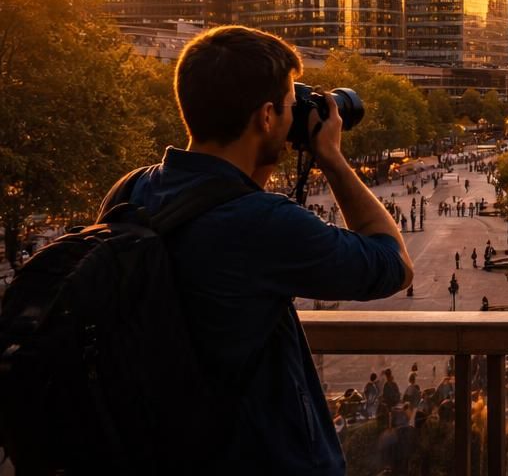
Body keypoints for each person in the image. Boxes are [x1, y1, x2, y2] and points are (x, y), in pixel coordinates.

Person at [113, 25, 412, 474]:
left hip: (158, 448)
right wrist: (331, 157)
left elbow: (220, 199)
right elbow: (393, 264)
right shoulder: (262, 223)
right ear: (266, 116)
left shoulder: (131, 189)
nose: (296, 116)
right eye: (291, 104)